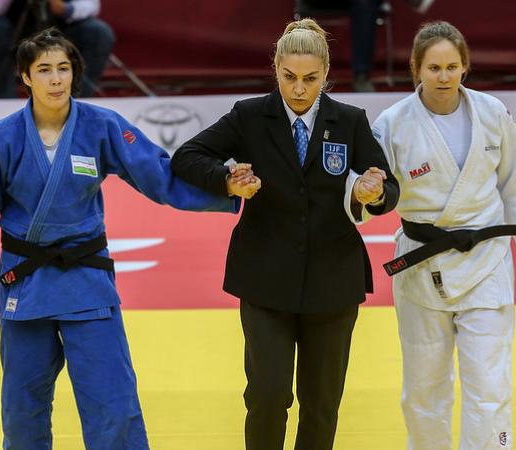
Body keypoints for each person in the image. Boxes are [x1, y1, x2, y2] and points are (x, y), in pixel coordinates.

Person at [0, 28, 242, 449]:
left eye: (63, 69)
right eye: (44, 70)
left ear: (74, 73)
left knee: (113, 405)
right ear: (25, 77)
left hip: (86, 283)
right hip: (25, 285)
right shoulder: (1, 138)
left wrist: (224, 186)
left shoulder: (102, 126)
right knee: (22, 412)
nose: (56, 80)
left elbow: (160, 176)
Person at [171, 18, 399, 450]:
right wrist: (227, 180)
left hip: (333, 281)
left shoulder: (349, 120)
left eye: (310, 79)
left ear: (327, 73)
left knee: (321, 404)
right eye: (289, 77)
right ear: (275, 68)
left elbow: (387, 187)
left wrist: (374, 193)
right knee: (268, 396)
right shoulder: (250, 116)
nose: (298, 88)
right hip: (264, 279)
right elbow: (187, 156)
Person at [370, 21, 516, 449]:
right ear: (415, 69)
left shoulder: (493, 113)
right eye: (433, 67)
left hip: (487, 259)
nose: (443, 76)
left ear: (465, 68)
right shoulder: (392, 124)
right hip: (423, 264)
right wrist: (367, 193)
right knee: (423, 391)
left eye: (452, 66)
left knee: (490, 387)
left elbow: (515, 180)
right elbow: (372, 192)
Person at [0, 0, 114, 98]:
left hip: (60, 25)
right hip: (12, 27)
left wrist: (66, 9)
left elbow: (91, 5)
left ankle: (77, 98)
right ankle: (3, 100)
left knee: (99, 32)